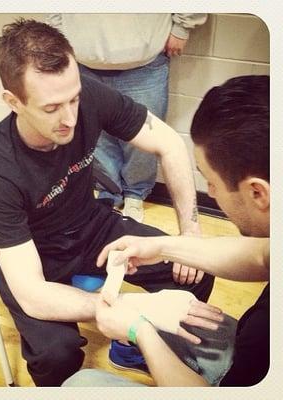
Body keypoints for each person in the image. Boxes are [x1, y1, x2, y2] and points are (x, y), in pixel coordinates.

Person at [0, 18, 215, 387]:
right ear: (14, 102)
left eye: (74, 99)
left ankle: (133, 349)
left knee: (197, 270)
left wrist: (190, 232)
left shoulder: (87, 94)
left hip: (91, 225)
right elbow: (34, 295)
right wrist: (128, 308)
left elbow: (168, 143)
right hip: (34, 254)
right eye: (52, 108)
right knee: (57, 354)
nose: (70, 119)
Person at [63, 75, 270, 387]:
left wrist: (139, 331)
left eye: (210, 180)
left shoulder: (264, 334)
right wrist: (163, 247)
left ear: (258, 193)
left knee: (79, 385)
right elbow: (262, 256)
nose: (210, 192)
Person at [47, 13, 207, 222]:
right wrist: (58, 33)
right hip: (82, 59)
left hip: (144, 60)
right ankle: (108, 191)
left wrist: (182, 27)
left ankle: (135, 194)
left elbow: (164, 145)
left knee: (144, 141)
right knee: (97, 137)